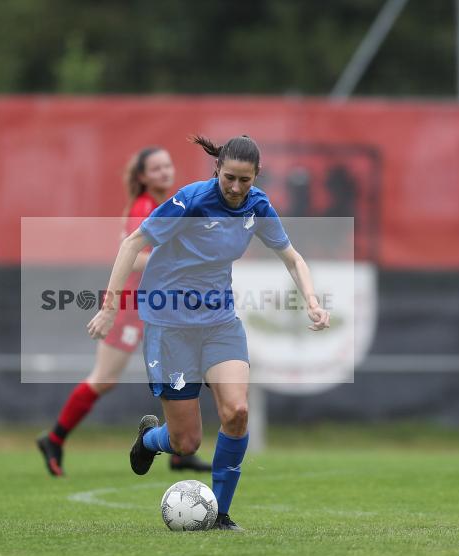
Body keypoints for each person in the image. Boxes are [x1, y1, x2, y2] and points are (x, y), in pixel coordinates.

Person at [88, 134, 330, 531]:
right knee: (185, 443)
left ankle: (220, 515)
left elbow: (293, 258)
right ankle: (149, 439)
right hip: (170, 326)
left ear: (257, 176)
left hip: (219, 324)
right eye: (228, 177)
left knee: (237, 412)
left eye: (244, 180)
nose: (235, 187)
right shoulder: (191, 201)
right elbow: (132, 243)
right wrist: (110, 306)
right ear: (216, 169)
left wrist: (313, 302)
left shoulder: (258, 206)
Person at [37, 147, 212, 476]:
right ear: (142, 176)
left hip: (161, 307)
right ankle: (54, 438)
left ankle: (180, 452)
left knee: (181, 372)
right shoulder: (143, 207)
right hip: (131, 308)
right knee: (104, 379)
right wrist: (180, 259)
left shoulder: (168, 205)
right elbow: (134, 256)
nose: (164, 172)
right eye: (156, 168)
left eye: (167, 165)